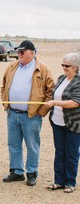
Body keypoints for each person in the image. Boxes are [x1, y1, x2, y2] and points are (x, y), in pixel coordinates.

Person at [1, 40, 55, 186]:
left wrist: (40, 112)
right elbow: (4, 85)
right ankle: (17, 172)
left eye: (22, 52)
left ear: (32, 53)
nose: (19, 54)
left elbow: (50, 92)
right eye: (18, 52)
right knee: (13, 144)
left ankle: (31, 173)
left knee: (32, 145)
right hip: (12, 113)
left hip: (31, 116)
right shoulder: (12, 67)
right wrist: (6, 103)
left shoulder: (43, 69)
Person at [45, 53, 80, 193]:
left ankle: (70, 182)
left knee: (71, 154)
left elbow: (75, 102)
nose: (64, 68)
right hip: (57, 122)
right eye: (63, 65)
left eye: (67, 66)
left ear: (76, 67)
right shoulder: (61, 79)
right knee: (59, 152)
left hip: (72, 124)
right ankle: (58, 181)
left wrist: (55, 103)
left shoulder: (78, 82)